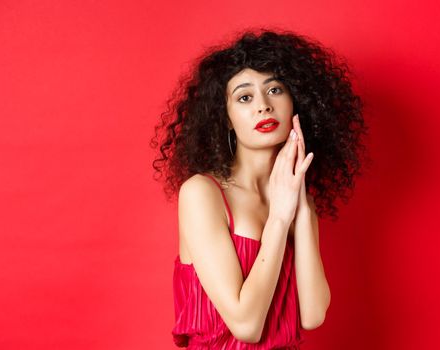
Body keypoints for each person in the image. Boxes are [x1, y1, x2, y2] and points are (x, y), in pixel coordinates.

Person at [150, 28, 368, 349]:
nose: (263, 106)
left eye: (275, 90)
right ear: (225, 118)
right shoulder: (203, 193)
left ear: (296, 103)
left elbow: (312, 314)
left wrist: (301, 206)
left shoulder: (298, 201)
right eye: (245, 97)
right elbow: (246, 326)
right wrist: (279, 218)